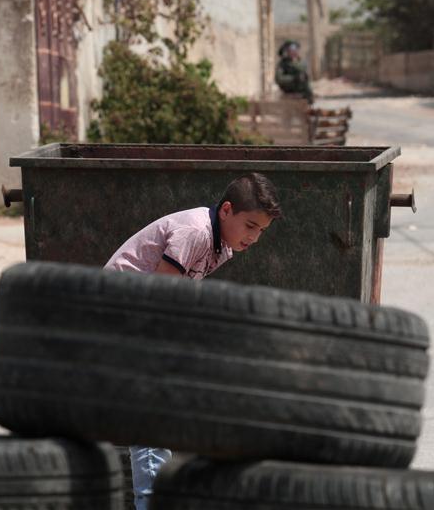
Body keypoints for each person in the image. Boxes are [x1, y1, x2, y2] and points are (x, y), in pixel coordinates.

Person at [104, 172, 282, 510]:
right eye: (250, 226)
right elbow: (160, 298)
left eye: (261, 231)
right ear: (226, 210)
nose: (254, 238)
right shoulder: (196, 232)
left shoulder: (220, 244)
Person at [275, 39, 314, 104]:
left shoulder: (301, 62)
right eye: (291, 50)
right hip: (289, 89)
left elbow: (306, 78)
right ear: (287, 51)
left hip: (302, 89)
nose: (293, 52)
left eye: (295, 50)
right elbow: (278, 79)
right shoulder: (283, 64)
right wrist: (293, 78)